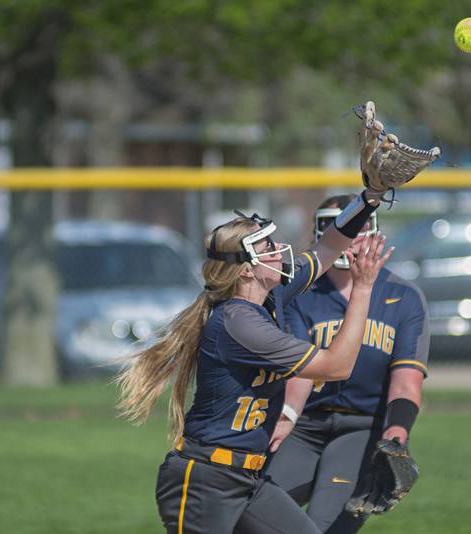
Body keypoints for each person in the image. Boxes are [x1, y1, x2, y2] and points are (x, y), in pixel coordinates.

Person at [116, 189, 393, 534]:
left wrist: (369, 198)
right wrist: (363, 288)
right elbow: (336, 367)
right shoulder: (239, 323)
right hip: (206, 481)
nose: (279, 250)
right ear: (247, 271)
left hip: (248, 478)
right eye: (267, 248)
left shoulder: (271, 296)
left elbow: (328, 247)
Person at [262, 194, 430, 533]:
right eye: (340, 228)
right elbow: (301, 371)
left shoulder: (403, 296)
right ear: (320, 233)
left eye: (359, 227)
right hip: (307, 423)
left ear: (375, 232)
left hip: (363, 426)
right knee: (255, 510)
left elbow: (406, 381)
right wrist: (287, 416)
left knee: (325, 525)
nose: (351, 237)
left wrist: (396, 435)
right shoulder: (301, 294)